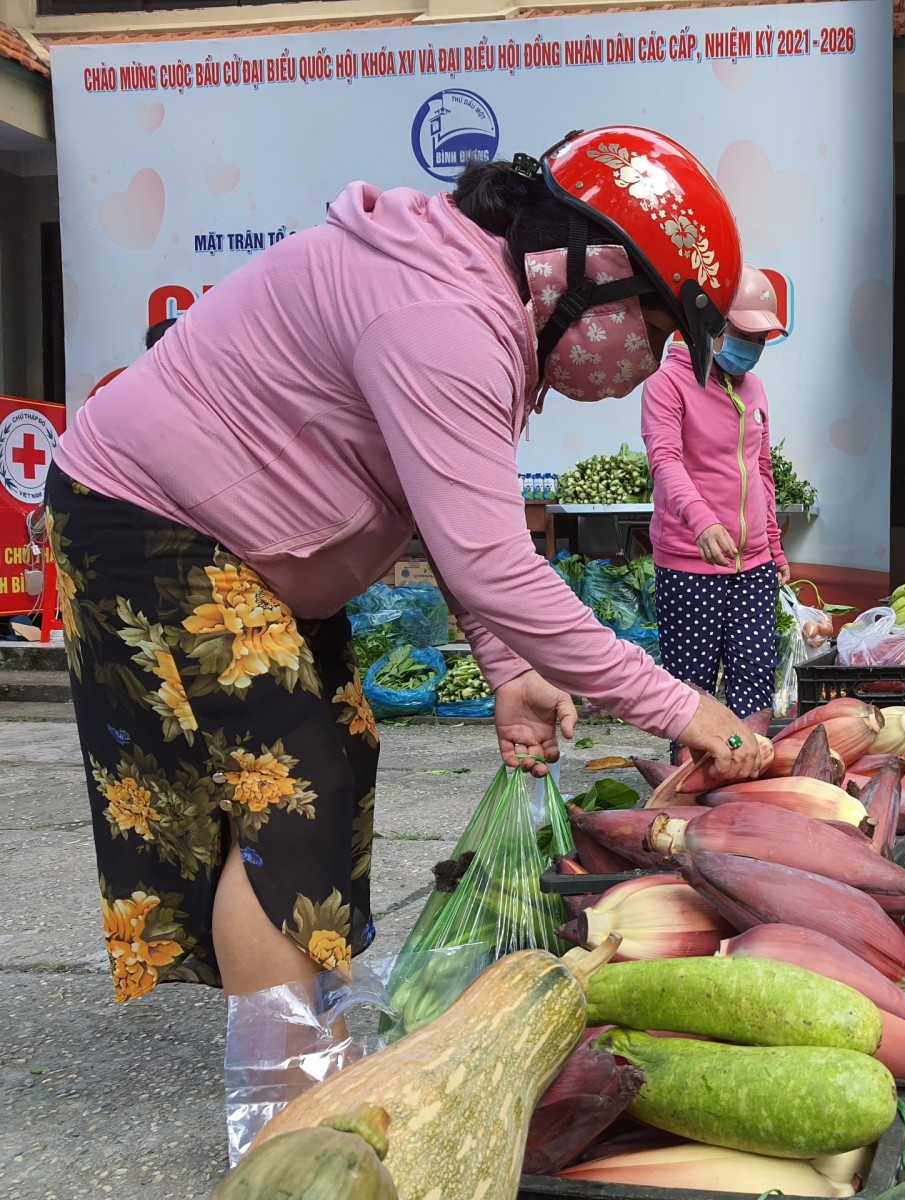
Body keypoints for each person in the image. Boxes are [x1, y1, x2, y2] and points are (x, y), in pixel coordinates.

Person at [47, 126, 765, 1009]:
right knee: (292, 791)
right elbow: (494, 565)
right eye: (653, 327)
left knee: (337, 754)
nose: (646, 360)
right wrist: (681, 705)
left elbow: (452, 520)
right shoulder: (443, 315)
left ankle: (304, 1026)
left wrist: (508, 672)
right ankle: (284, 1103)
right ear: (588, 261)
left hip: (242, 539)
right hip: (150, 517)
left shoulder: (477, 301)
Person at [643, 265, 789, 731]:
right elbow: (665, 460)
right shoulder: (666, 383)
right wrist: (703, 522)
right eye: (746, 334)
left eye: (763, 338)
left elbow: (761, 472)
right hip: (689, 564)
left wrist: (774, 546)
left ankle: (745, 791)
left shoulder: (757, 389)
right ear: (712, 322)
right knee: (692, 693)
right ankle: (688, 791)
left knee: (755, 683)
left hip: (754, 567)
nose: (756, 349)